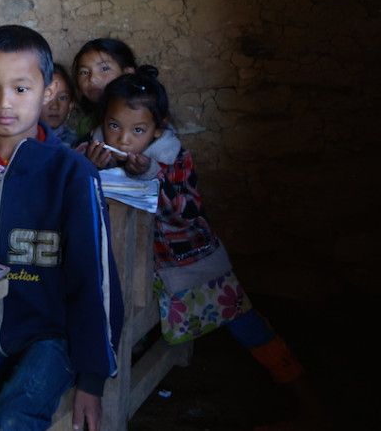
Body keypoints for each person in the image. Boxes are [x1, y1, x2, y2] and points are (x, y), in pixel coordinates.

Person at [78, 70, 320, 425]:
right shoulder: (90, 150)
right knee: (121, 325)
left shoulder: (173, 157)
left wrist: (150, 177)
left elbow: (187, 214)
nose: (124, 139)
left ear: (158, 130)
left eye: (138, 130)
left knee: (245, 323)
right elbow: (72, 196)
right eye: (114, 126)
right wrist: (85, 167)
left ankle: (305, 394)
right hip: (135, 273)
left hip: (191, 262)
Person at [0, 25, 123, 431]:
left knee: (12, 419)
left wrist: (92, 379)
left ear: (48, 91)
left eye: (21, 88)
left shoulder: (72, 174)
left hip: (50, 338)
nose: (4, 103)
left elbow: (94, 280)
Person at [72, 38, 137, 139]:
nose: (92, 79)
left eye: (104, 69)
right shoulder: (86, 125)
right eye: (84, 72)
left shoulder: (144, 115)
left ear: (127, 73)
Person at [43, 63, 79, 147]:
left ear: (70, 105)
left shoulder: (76, 144)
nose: (54, 106)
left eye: (63, 98)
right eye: (47, 96)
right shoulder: (19, 140)